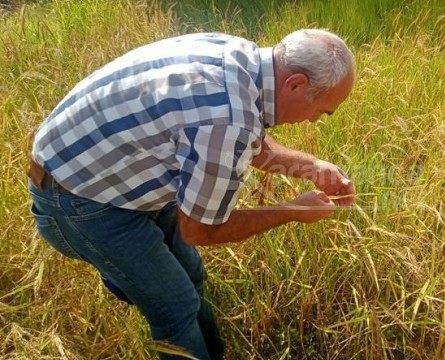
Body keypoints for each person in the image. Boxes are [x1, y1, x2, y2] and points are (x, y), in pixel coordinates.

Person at [27, 29, 355, 360]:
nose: (314, 121)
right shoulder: (229, 120)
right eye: (321, 111)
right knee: (175, 308)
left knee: (191, 274)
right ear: (295, 84)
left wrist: (312, 167)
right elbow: (199, 230)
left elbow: (242, 133)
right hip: (78, 201)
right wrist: (292, 211)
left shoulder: (240, 57)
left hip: (112, 172)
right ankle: (125, 278)